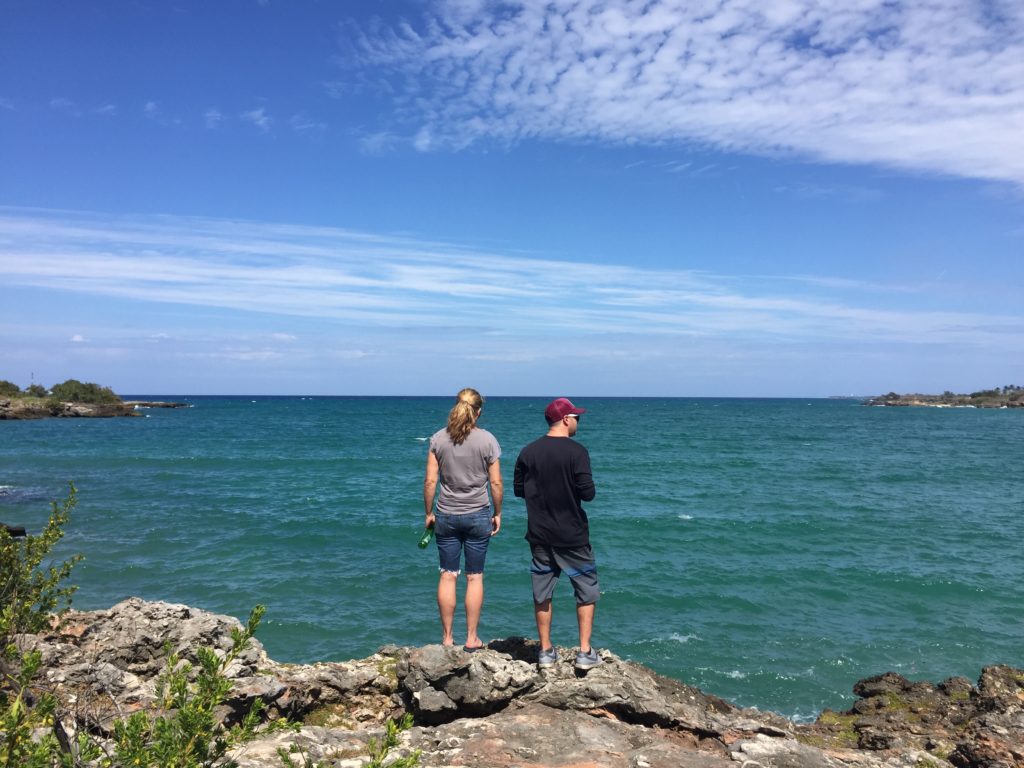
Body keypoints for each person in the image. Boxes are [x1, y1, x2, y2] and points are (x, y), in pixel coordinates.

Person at [513, 397, 600, 670]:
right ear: (565, 419)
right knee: (585, 589)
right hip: (572, 534)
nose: (578, 421)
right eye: (577, 417)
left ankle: (546, 651)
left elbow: (518, 490)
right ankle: (585, 652)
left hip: (539, 533)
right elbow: (589, 493)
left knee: (542, 591)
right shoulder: (577, 452)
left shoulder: (528, 452)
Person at [423, 388, 503, 651]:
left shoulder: (438, 438)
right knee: (474, 577)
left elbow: (430, 481)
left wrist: (428, 512)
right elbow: (496, 483)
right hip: (478, 513)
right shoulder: (487, 440)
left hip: (446, 513)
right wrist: (498, 512)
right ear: (478, 412)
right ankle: (471, 638)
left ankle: (447, 639)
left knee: (448, 575)